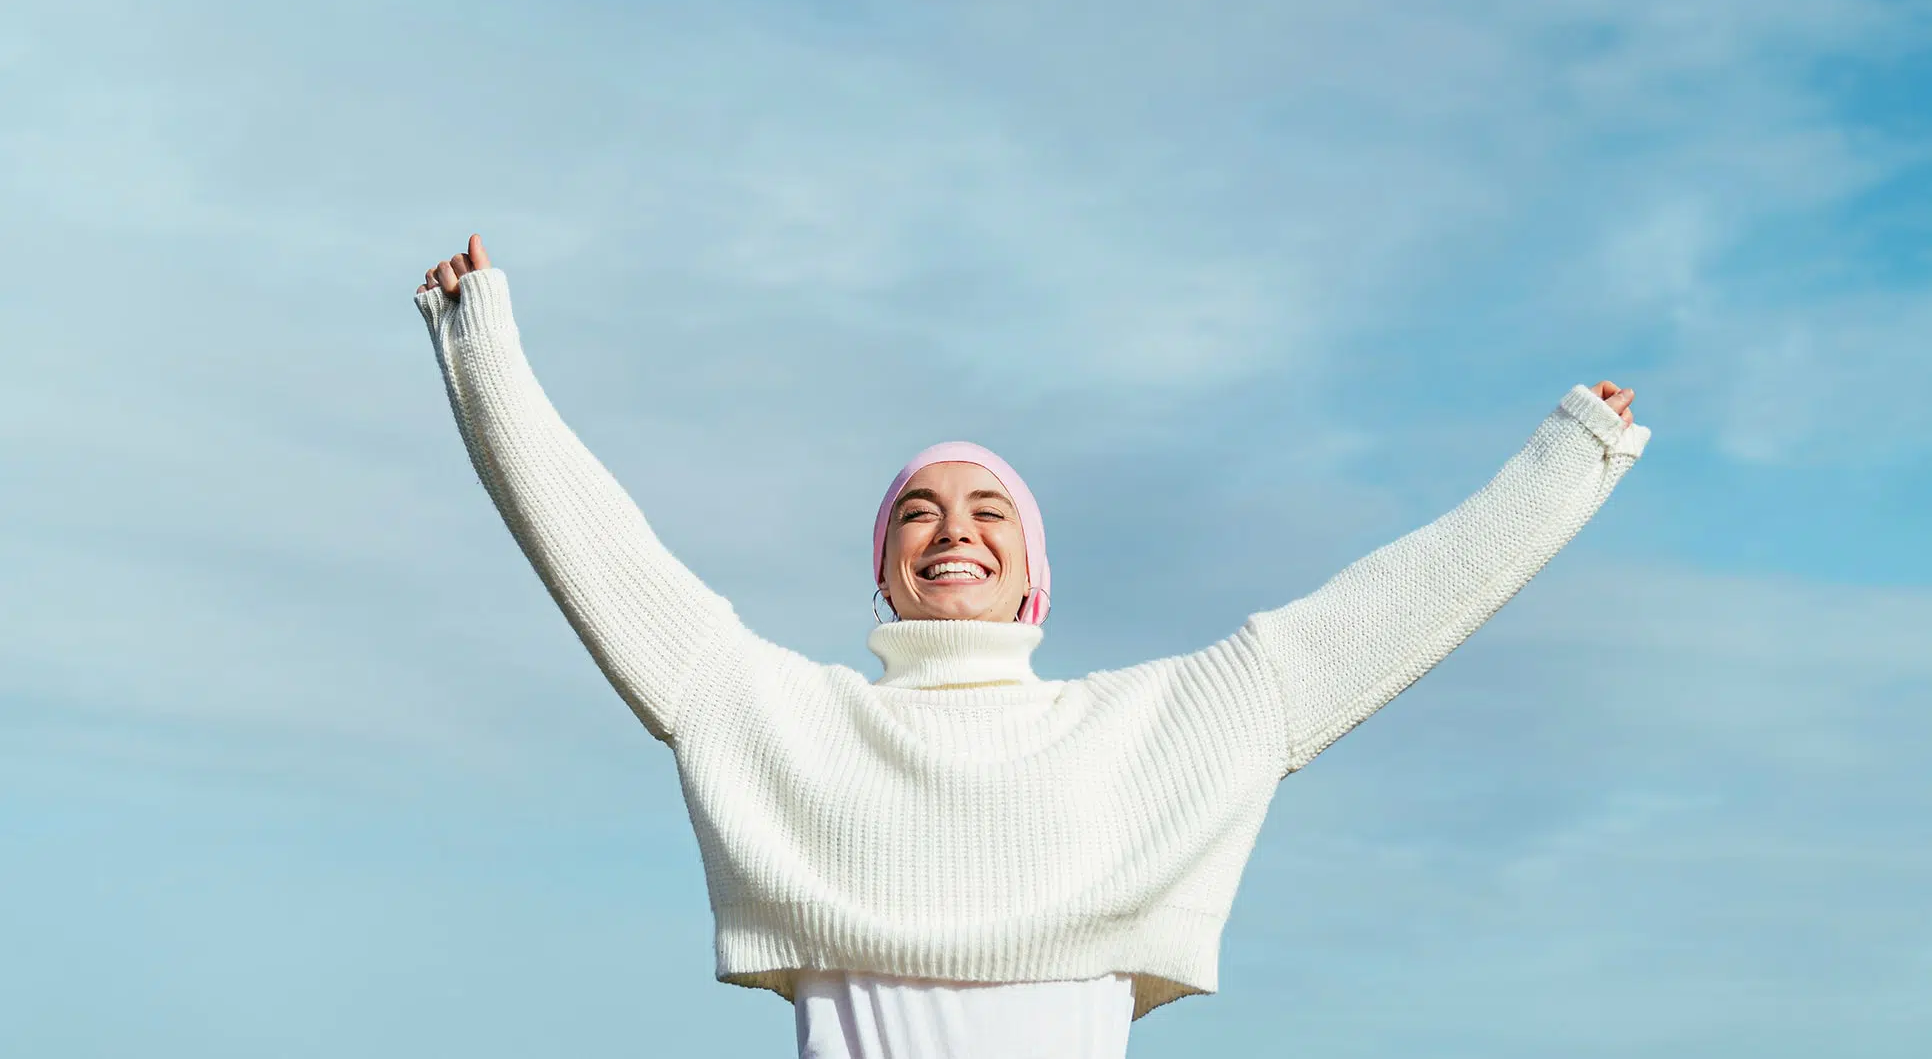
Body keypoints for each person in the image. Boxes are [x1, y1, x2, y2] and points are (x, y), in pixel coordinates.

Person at [416, 234, 1647, 1059]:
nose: (953, 530)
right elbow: (601, 555)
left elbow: (1391, 610)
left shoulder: (1154, 728)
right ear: (887, 569)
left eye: (988, 511)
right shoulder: (782, 722)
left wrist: (1568, 460)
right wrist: (483, 351)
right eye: (918, 512)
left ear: (1033, 583)